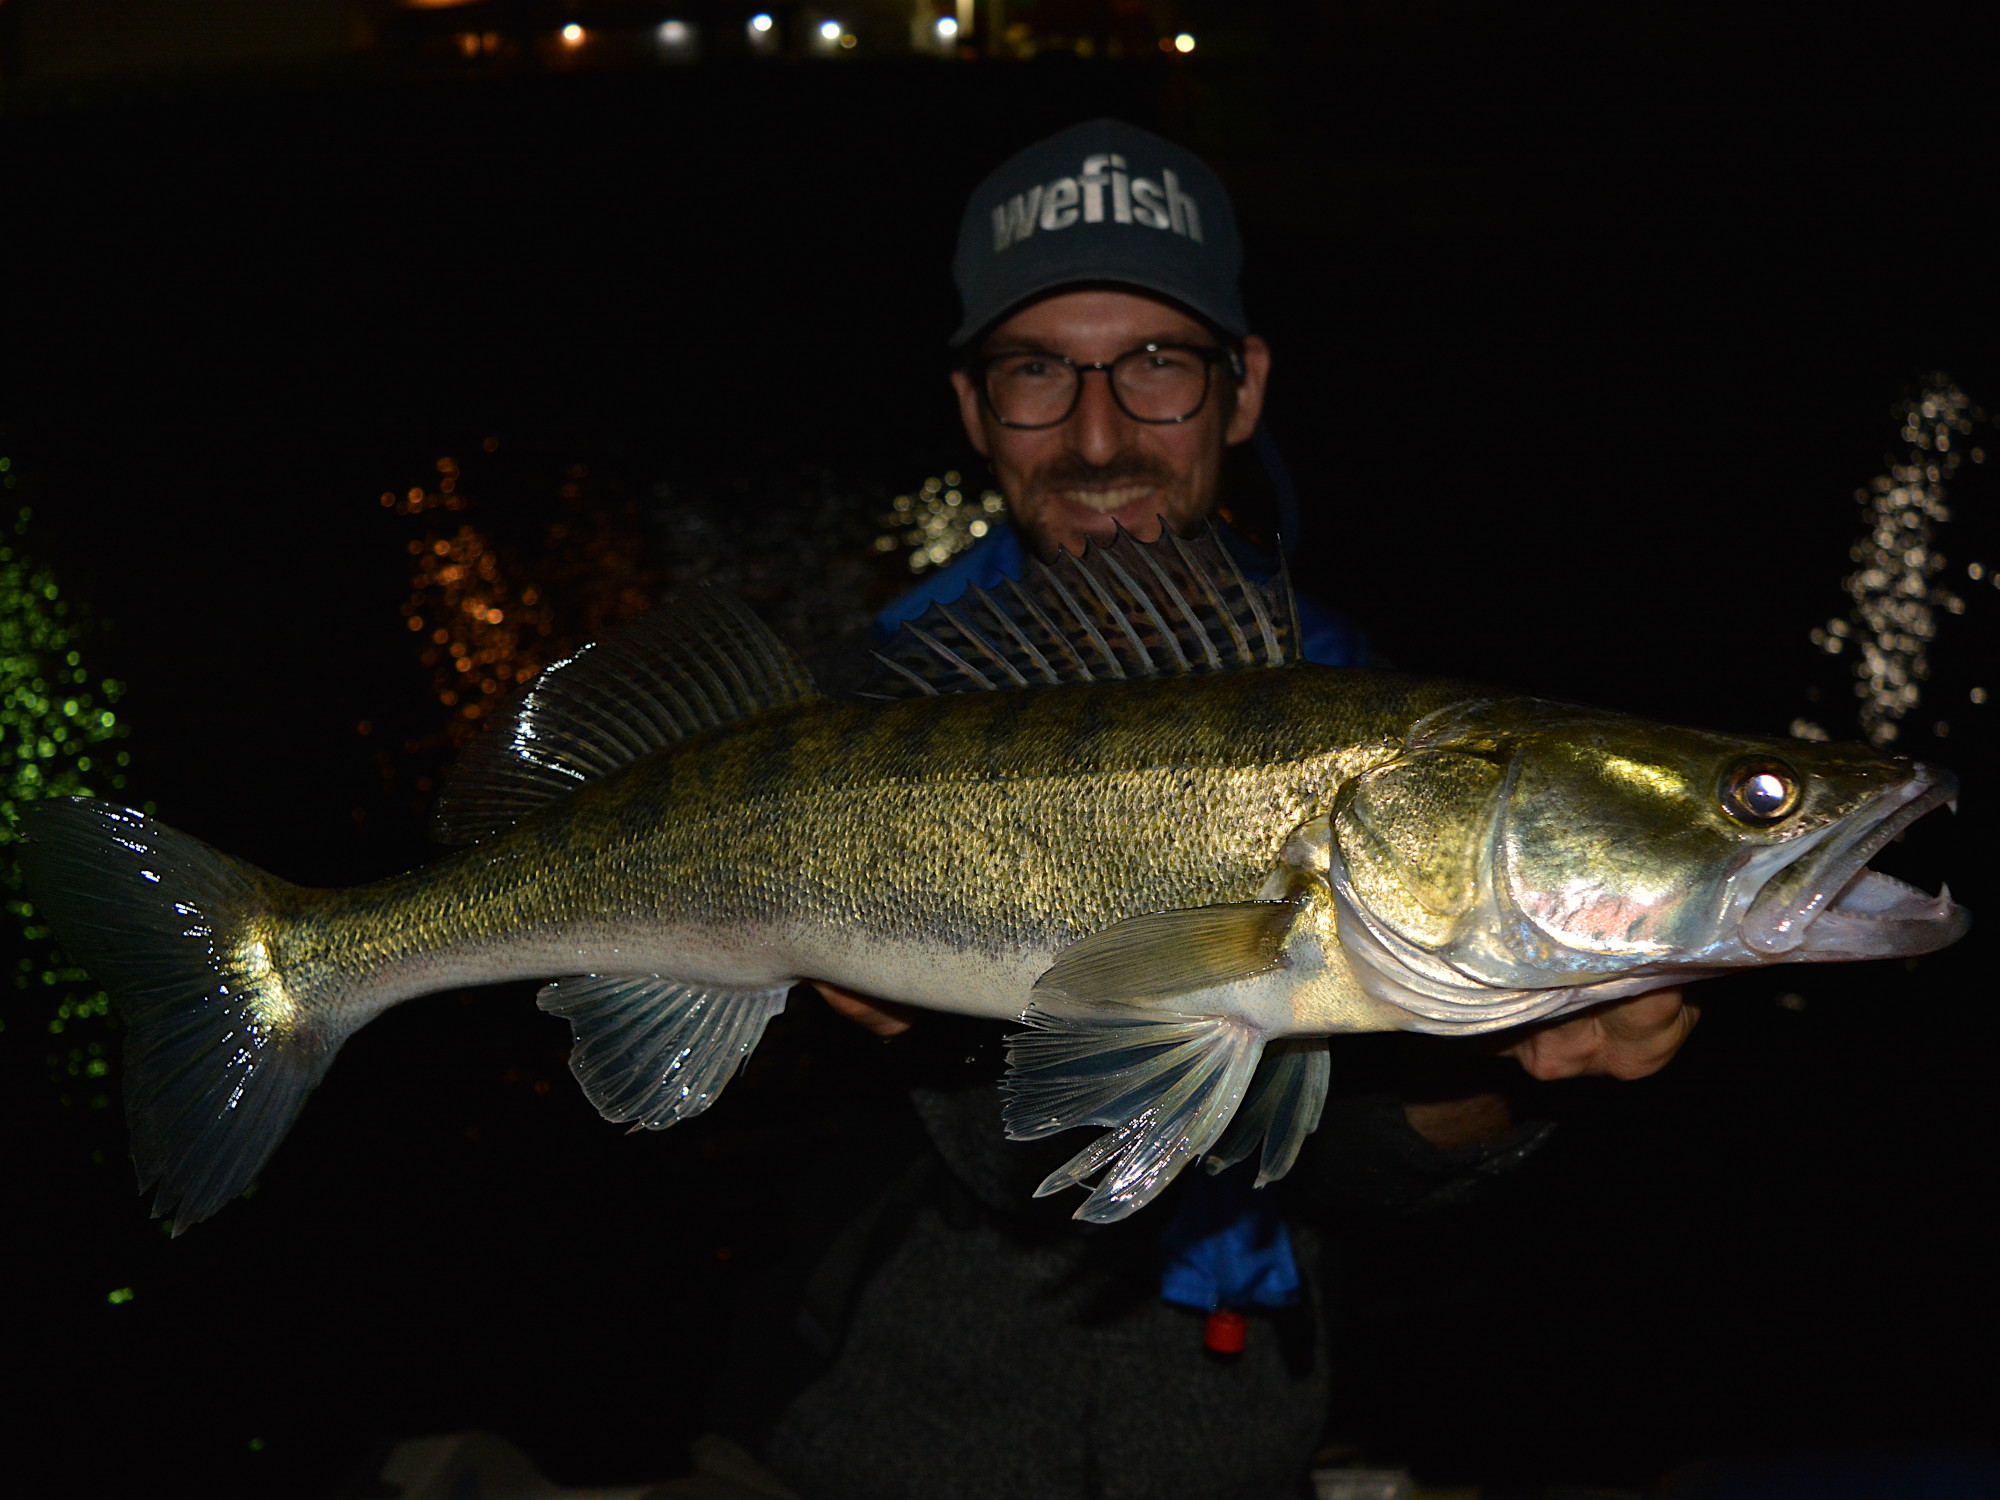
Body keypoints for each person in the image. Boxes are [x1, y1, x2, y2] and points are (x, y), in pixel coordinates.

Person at [711, 119, 1696, 1500]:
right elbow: (735, 1131)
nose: (1099, 435)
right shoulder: (855, 721)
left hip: (1236, 1438)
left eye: (1159, 365)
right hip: (874, 1424)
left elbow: (1341, 1159)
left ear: (1244, 389)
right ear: (971, 406)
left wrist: (1512, 1065)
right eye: (1038, 370)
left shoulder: (1362, 712)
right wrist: (884, 1030)